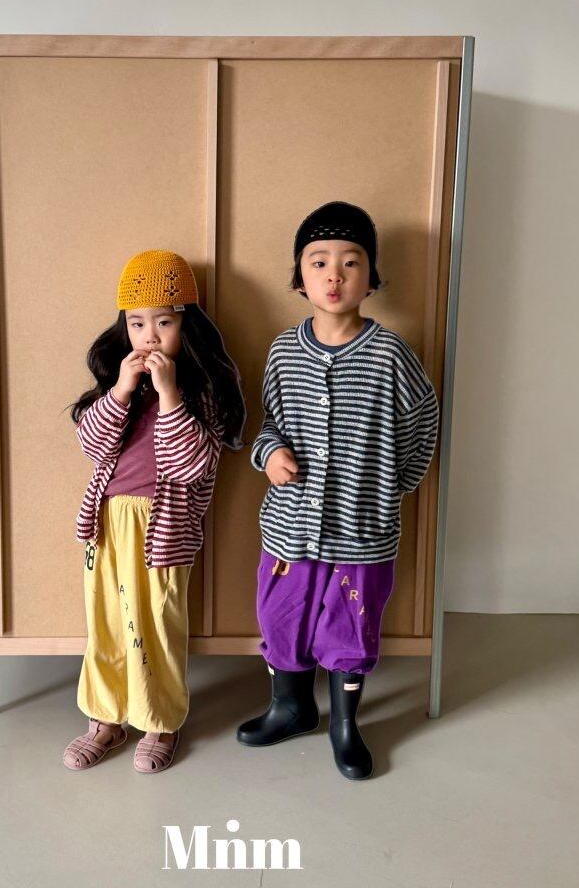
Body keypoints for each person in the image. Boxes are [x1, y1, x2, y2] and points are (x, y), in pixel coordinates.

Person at [236, 201, 439, 780]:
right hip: (289, 527)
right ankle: (291, 707)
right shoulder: (283, 351)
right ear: (299, 278)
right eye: (319, 262)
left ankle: (345, 724)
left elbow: (424, 420)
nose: (334, 275)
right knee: (282, 617)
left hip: (361, 529)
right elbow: (270, 424)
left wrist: (395, 485)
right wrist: (269, 454)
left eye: (351, 262)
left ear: (370, 278)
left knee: (351, 624)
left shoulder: (390, 354)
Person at [64, 249, 245, 774]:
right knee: (105, 625)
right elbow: (93, 445)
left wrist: (168, 394)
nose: (149, 336)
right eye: (137, 323)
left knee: (156, 627)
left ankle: (160, 721)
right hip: (106, 525)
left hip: (163, 530)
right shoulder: (118, 388)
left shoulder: (199, 392)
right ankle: (105, 719)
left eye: (164, 322)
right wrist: (123, 389)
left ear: (187, 326)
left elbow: (189, 465)